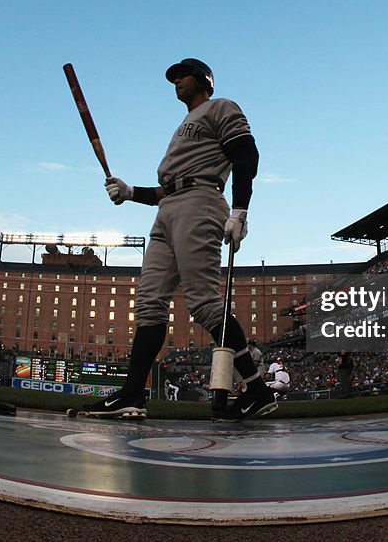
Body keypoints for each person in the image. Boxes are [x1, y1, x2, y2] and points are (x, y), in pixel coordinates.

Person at [77, 58, 275, 421]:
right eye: (174, 78)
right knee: (149, 303)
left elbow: (247, 155)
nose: (176, 82)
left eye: (182, 76)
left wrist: (240, 210)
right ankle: (132, 395)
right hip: (168, 207)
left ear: (202, 79)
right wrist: (130, 191)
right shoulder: (182, 125)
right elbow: (167, 188)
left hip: (200, 203)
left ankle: (258, 391)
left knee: (204, 303)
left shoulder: (221, 107)